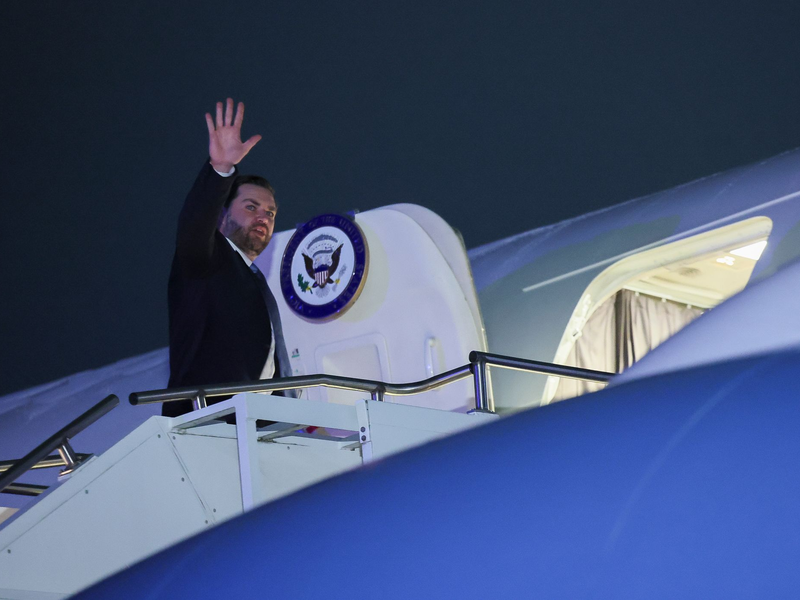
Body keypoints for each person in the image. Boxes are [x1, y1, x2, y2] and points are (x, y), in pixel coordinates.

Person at [164, 98, 293, 418]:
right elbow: (195, 223)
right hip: (208, 425)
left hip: (257, 427)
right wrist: (220, 170)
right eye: (251, 207)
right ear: (221, 217)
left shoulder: (252, 278)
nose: (263, 218)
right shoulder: (204, 260)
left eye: (270, 213)